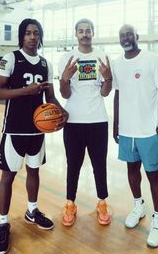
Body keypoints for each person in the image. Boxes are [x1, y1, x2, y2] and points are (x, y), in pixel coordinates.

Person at [0, 18, 68, 254]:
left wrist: (61, 111)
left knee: (34, 172)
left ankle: (31, 211)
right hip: (14, 128)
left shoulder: (45, 63)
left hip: (38, 130)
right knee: (8, 177)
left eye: (36, 33)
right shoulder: (10, 58)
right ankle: (3, 224)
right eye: (28, 33)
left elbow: (50, 98)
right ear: (22, 36)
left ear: (40, 36)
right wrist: (25, 91)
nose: (32, 37)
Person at [113, 24, 158, 248]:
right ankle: (139, 205)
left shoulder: (152, 59)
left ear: (137, 37)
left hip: (148, 130)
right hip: (127, 131)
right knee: (131, 170)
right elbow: (117, 94)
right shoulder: (117, 63)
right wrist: (115, 124)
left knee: (153, 174)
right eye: (122, 35)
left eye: (129, 34)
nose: (125, 38)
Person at [58, 18, 112, 227]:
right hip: (73, 121)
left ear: (93, 32)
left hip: (98, 120)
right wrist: (64, 79)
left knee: (100, 164)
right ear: (76, 34)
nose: (85, 34)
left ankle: (102, 202)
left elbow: (105, 93)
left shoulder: (102, 56)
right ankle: (70, 203)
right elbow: (65, 93)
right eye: (81, 31)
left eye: (88, 30)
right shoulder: (67, 57)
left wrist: (107, 79)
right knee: (73, 165)